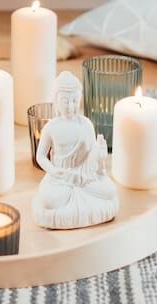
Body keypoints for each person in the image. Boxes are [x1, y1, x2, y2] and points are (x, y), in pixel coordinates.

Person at [31, 71, 118, 229]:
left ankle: (75, 203)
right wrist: (53, 170)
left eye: (74, 100)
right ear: (56, 101)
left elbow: (93, 156)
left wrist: (101, 155)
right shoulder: (51, 127)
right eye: (65, 101)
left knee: (110, 192)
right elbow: (41, 156)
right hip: (61, 178)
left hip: (85, 178)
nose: (71, 106)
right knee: (47, 200)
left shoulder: (86, 125)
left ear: (80, 99)